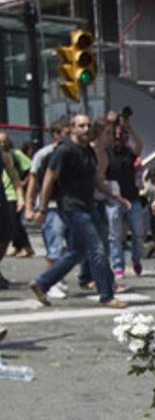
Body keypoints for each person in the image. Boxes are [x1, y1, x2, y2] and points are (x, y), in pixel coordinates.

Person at [29, 113, 129, 309]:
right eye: (81, 126)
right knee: (97, 249)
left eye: (88, 126)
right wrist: (41, 208)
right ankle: (106, 296)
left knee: (76, 252)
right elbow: (49, 178)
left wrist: (114, 196)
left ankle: (42, 283)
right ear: (73, 128)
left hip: (88, 205)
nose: (85, 129)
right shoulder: (65, 151)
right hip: (71, 207)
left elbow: (96, 179)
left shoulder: (88, 152)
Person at [24, 120, 69, 298]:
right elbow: (33, 182)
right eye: (65, 132)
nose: (68, 135)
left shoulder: (73, 152)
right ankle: (51, 283)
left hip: (69, 205)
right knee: (54, 246)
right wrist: (30, 207)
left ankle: (57, 279)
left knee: (70, 247)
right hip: (51, 205)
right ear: (55, 135)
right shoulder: (44, 155)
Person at [105, 115, 145, 279]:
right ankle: (118, 265)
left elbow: (139, 145)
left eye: (122, 135)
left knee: (139, 232)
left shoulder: (129, 152)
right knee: (115, 235)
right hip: (113, 199)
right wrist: (110, 124)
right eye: (116, 135)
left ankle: (136, 259)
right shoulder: (105, 153)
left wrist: (129, 128)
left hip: (132, 197)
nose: (119, 138)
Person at [0, 134, 26, 289]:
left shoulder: (3, 156)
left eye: (4, 143)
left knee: (5, 237)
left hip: (2, 198)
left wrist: (21, 197)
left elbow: (14, 177)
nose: (2, 145)